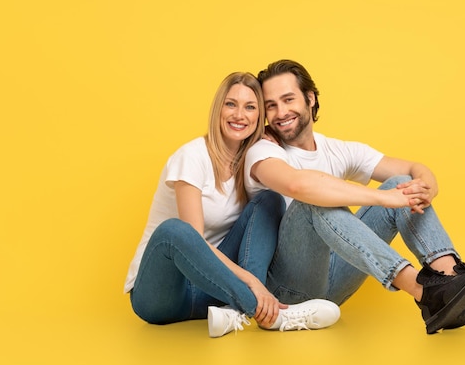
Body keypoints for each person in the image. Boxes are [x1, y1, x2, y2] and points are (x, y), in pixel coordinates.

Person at [244, 59, 465, 334]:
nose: (281, 112)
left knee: (401, 183)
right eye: (271, 105)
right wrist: (383, 199)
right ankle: (424, 291)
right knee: (314, 200)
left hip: (335, 281)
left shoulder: (336, 149)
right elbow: (297, 186)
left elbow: (413, 170)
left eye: (288, 99)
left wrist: (427, 186)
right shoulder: (262, 151)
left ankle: (451, 281)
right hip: (285, 292)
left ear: (310, 98)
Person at [124, 71, 340, 338]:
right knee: (175, 231)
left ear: (259, 117)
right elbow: (195, 241)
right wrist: (252, 284)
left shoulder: (250, 160)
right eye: (231, 104)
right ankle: (269, 312)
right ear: (218, 109)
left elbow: (270, 217)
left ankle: (235, 311)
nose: (240, 115)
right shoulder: (191, 157)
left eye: (250, 107)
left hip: (213, 289)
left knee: (269, 201)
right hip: (162, 294)